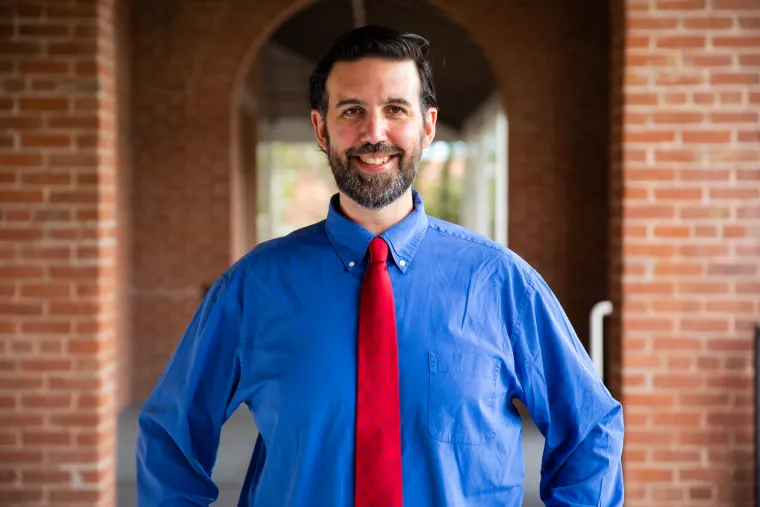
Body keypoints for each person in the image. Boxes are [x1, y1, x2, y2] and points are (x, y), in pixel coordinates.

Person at [136, 25, 624, 507]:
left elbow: (590, 430)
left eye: (395, 109)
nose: (374, 133)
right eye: (352, 110)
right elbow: (169, 437)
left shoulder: (499, 282)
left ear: (427, 125)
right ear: (321, 127)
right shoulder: (253, 287)